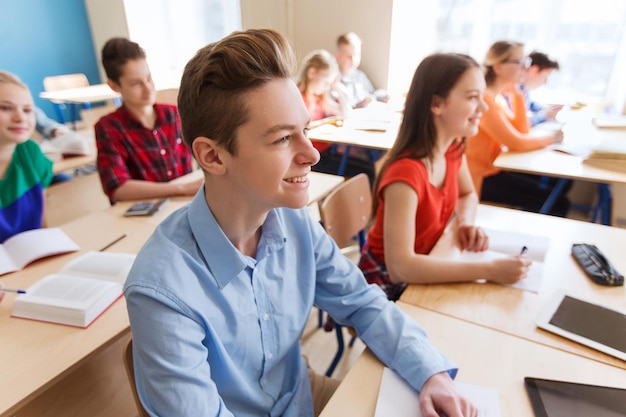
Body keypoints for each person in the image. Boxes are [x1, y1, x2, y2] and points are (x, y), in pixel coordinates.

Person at [124, 29, 477, 417]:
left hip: (300, 397)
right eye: (281, 139)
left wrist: (432, 375)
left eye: (304, 130)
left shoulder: (294, 222)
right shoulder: (162, 289)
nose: (311, 153)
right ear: (212, 156)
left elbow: (362, 304)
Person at [358, 53, 530, 301]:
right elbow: (401, 267)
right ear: (437, 104)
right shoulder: (405, 175)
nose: (483, 107)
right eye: (473, 97)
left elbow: (468, 193)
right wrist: (489, 270)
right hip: (385, 282)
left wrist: (466, 222)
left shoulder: (452, 147)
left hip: (431, 258)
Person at [465, 40, 569, 217]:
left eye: (526, 62)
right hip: (480, 177)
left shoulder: (497, 97)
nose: (525, 69)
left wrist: (517, 92)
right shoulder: (485, 100)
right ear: (498, 67)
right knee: (559, 203)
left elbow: (522, 131)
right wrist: (553, 139)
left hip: (494, 168)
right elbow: (515, 142)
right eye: (520, 63)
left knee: (560, 184)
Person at [95, 37, 202, 202]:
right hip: (148, 210)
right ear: (114, 86)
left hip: (185, 204)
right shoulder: (109, 128)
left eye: (149, 78)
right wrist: (180, 189)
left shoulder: (174, 115)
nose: (148, 88)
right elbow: (117, 188)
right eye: (136, 83)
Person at [297, 49, 376, 185]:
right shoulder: (298, 97)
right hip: (314, 158)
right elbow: (303, 127)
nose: (327, 87)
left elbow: (346, 114)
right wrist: (327, 122)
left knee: (369, 168)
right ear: (311, 73)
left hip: (327, 152)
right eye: (326, 82)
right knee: (367, 172)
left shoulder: (319, 98)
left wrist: (336, 87)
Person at [0, 71, 53, 243]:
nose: (20, 117)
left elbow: (43, 226)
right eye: (5, 108)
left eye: (27, 110)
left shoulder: (31, 153)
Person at [335, 32, 388, 108]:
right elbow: (336, 107)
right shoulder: (334, 80)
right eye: (349, 56)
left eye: (356, 54)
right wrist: (358, 105)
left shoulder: (360, 76)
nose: (353, 59)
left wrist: (384, 96)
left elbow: (372, 93)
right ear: (338, 56)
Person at [516, 51, 562, 127]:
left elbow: (530, 104)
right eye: (545, 76)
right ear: (534, 70)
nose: (545, 82)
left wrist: (550, 109)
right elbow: (520, 125)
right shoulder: (513, 90)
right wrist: (544, 115)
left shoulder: (524, 90)